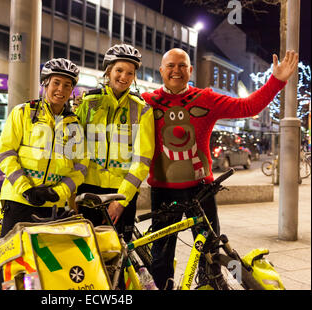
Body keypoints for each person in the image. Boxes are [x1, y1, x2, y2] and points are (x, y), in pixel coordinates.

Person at [141, 48, 299, 290]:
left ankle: (209, 285)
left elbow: (248, 107)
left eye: (182, 65)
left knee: (211, 256)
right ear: (161, 70)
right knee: (161, 258)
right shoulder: (147, 103)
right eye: (170, 65)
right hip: (162, 191)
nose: (176, 70)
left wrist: (277, 81)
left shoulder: (205, 99)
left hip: (201, 191)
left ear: (190, 70)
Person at [0, 58, 88, 289]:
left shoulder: (74, 124)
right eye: (56, 83)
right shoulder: (23, 113)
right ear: (45, 84)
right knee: (9, 261)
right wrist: (26, 188)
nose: (61, 90)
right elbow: (5, 153)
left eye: (68, 85)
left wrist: (60, 192)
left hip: (51, 204)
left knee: (43, 264)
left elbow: (81, 167)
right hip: (18, 201)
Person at [75, 44, 155, 242]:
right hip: (87, 189)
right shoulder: (88, 102)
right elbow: (73, 148)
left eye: (130, 73)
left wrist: (122, 200)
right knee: (87, 252)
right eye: (119, 70)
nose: (124, 77)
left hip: (121, 193)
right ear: (108, 71)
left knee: (119, 252)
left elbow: (142, 160)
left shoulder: (142, 109)